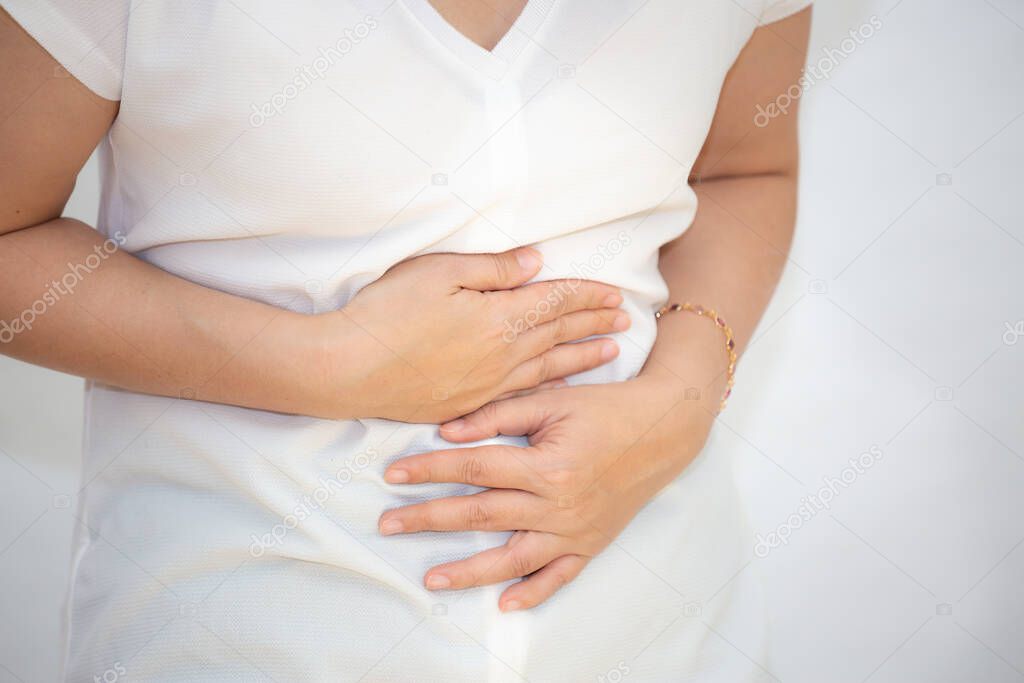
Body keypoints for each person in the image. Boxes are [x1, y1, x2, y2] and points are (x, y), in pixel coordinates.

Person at [0, 0, 811, 679]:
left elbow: (745, 169)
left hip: (665, 629)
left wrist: (686, 394)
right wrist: (327, 366)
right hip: (246, 633)